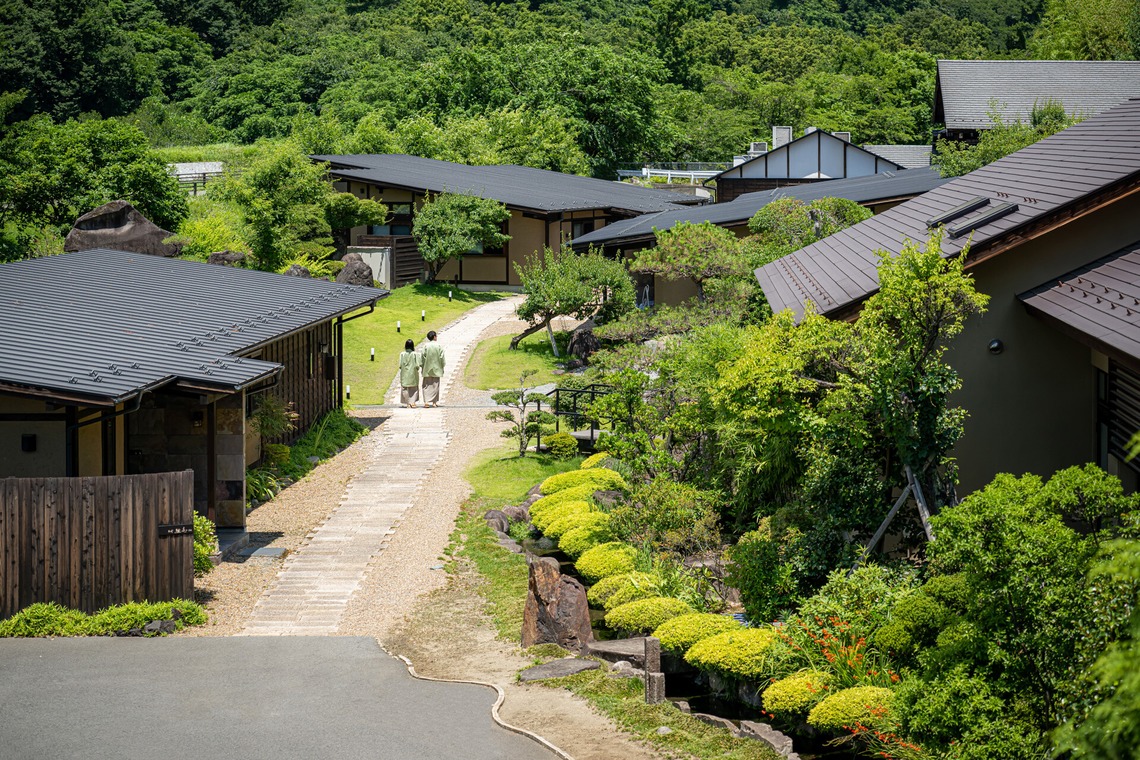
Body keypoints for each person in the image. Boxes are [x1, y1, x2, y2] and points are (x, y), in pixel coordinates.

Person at [420, 330, 445, 408]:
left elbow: (422, 357)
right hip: (437, 368)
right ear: (434, 337)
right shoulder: (439, 346)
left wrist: (422, 366)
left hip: (427, 368)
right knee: (435, 385)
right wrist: (442, 365)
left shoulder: (425, 346)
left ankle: (426, 402)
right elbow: (442, 357)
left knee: (426, 385)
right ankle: (434, 402)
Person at [398, 338, 421, 408]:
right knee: (414, 388)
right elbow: (418, 365)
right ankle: (413, 402)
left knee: (405, 388)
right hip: (413, 373)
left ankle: (407, 403)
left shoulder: (402, 354)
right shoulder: (415, 354)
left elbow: (400, 365)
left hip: (404, 373)